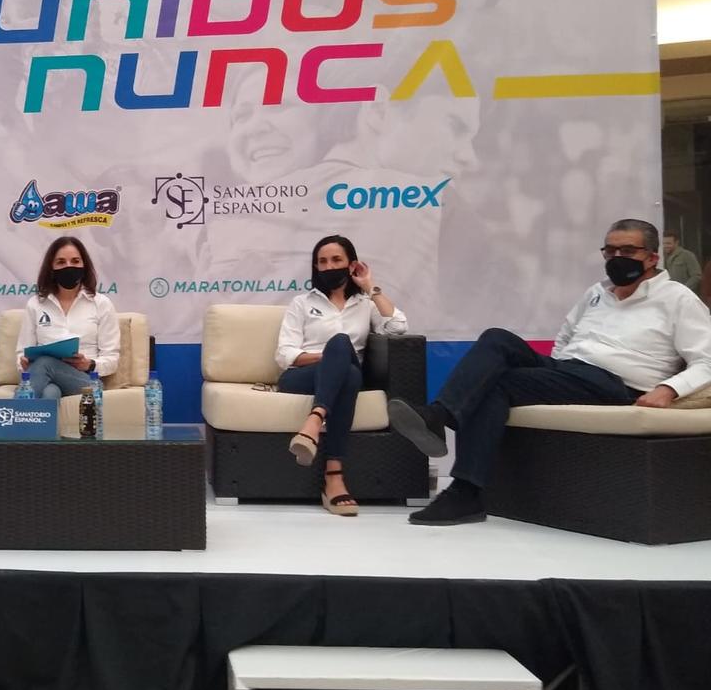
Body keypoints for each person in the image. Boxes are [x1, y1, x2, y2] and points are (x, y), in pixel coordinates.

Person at [390, 219, 711, 526]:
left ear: (652, 257)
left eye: (627, 251)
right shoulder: (597, 293)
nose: (617, 257)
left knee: (497, 384)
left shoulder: (677, 299)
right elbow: (566, 336)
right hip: (570, 371)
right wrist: (552, 377)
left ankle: (465, 489)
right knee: (497, 338)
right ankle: (440, 417)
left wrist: (668, 389)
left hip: (617, 384)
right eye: (610, 251)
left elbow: (706, 360)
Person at [276, 235, 407, 517]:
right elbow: (285, 354)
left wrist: (370, 287)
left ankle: (315, 422)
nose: (329, 266)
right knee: (341, 348)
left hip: (347, 378)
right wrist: (330, 357)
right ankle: (333, 477)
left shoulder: (366, 304)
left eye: (336, 260)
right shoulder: (302, 303)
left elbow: (397, 327)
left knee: (347, 372)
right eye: (322, 261)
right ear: (315, 267)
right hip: (302, 377)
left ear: (351, 265)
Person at [17, 236, 121, 401]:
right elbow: (21, 352)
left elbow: (112, 359)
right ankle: (29, 416)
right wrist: (23, 362)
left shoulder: (101, 304)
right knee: (50, 393)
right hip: (46, 379)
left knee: (45, 363)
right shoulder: (35, 304)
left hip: (86, 381)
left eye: (75, 261)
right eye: (61, 262)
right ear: (51, 268)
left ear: (84, 265)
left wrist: (89, 364)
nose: (68, 266)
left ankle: (14, 413)